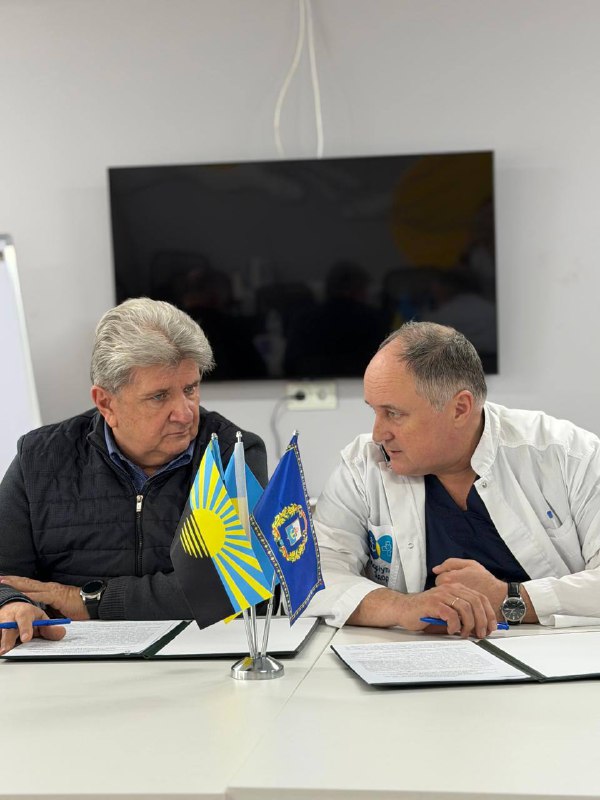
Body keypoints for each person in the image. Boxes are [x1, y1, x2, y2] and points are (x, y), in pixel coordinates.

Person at [0, 298, 267, 653]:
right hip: (65, 661)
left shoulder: (232, 454)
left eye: (190, 389)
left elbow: (232, 585)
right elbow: (6, 576)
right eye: (159, 396)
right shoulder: (40, 458)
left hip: (201, 660)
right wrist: (12, 603)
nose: (185, 413)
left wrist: (91, 601)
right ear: (106, 403)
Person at [306, 321, 600, 638]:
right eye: (374, 411)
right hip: (411, 656)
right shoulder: (363, 465)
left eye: (394, 413)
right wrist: (404, 607)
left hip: (557, 655)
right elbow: (314, 575)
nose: (378, 433)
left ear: (460, 408)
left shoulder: (569, 456)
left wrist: (511, 599)